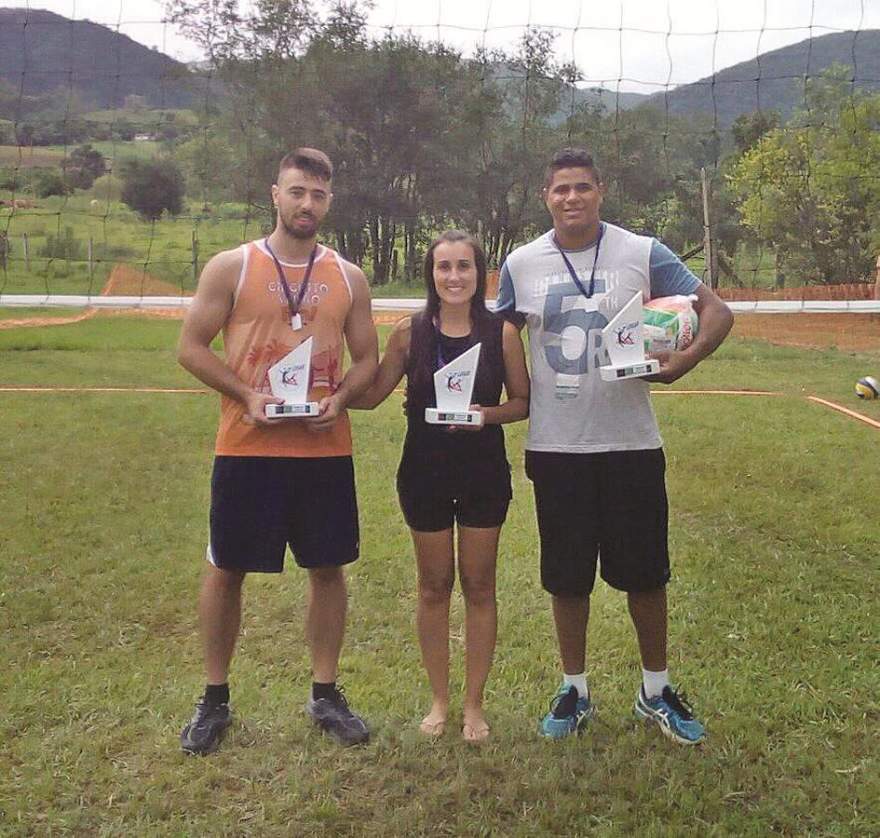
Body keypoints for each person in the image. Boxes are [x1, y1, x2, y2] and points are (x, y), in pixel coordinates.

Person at [496, 148, 733, 745]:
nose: (571, 198)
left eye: (582, 187)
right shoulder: (521, 262)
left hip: (630, 444)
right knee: (567, 578)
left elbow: (718, 312)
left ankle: (656, 690)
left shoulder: (642, 251)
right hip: (556, 447)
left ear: (600, 190)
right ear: (545, 196)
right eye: (560, 189)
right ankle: (574, 689)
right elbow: (495, 333)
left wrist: (683, 360)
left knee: (646, 575)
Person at [176, 147, 378, 755]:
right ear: (275, 194)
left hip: (323, 450)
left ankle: (325, 692)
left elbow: (367, 358)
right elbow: (191, 346)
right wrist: (246, 394)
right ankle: (214, 699)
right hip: (247, 447)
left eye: (317, 195)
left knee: (328, 569)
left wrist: (340, 399)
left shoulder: (348, 276)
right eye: (297, 192)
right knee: (226, 568)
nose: (306, 204)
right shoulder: (232, 267)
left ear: (329, 202)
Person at [351, 230, 529, 742]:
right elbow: (375, 392)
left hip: (483, 474)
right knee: (433, 587)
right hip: (424, 473)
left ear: (480, 274)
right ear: (431, 273)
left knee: (479, 585)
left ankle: (474, 704)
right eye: (444, 266)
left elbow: (522, 402)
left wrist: (484, 415)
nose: (454, 277)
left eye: (464, 267)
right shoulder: (409, 334)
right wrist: (322, 394)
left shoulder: (502, 334)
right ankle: (439, 700)